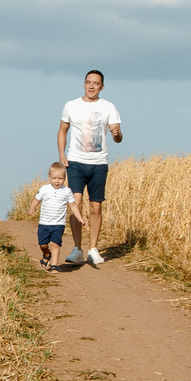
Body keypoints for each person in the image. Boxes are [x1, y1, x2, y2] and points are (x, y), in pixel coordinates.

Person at [56, 69, 121, 266]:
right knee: (76, 203)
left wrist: (117, 133)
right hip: (75, 161)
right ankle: (77, 248)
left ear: (102, 87)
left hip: (99, 163)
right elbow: (62, 131)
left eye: (96, 83)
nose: (91, 86)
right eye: (88, 82)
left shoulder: (109, 107)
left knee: (96, 207)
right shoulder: (71, 105)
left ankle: (93, 249)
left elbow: (118, 138)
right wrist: (62, 155)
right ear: (84, 84)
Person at [33, 160, 76, 268]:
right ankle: (46, 254)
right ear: (49, 177)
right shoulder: (44, 189)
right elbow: (37, 199)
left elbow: (73, 206)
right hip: (44, 223)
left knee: (55, 244)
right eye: (54, 178)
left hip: (58, 224)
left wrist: (80, 218)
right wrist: (32, 208)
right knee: (43, 244)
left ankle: (54, 265)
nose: (57, 181)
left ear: (64, 178)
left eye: (60, 179)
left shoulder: (67, 191)